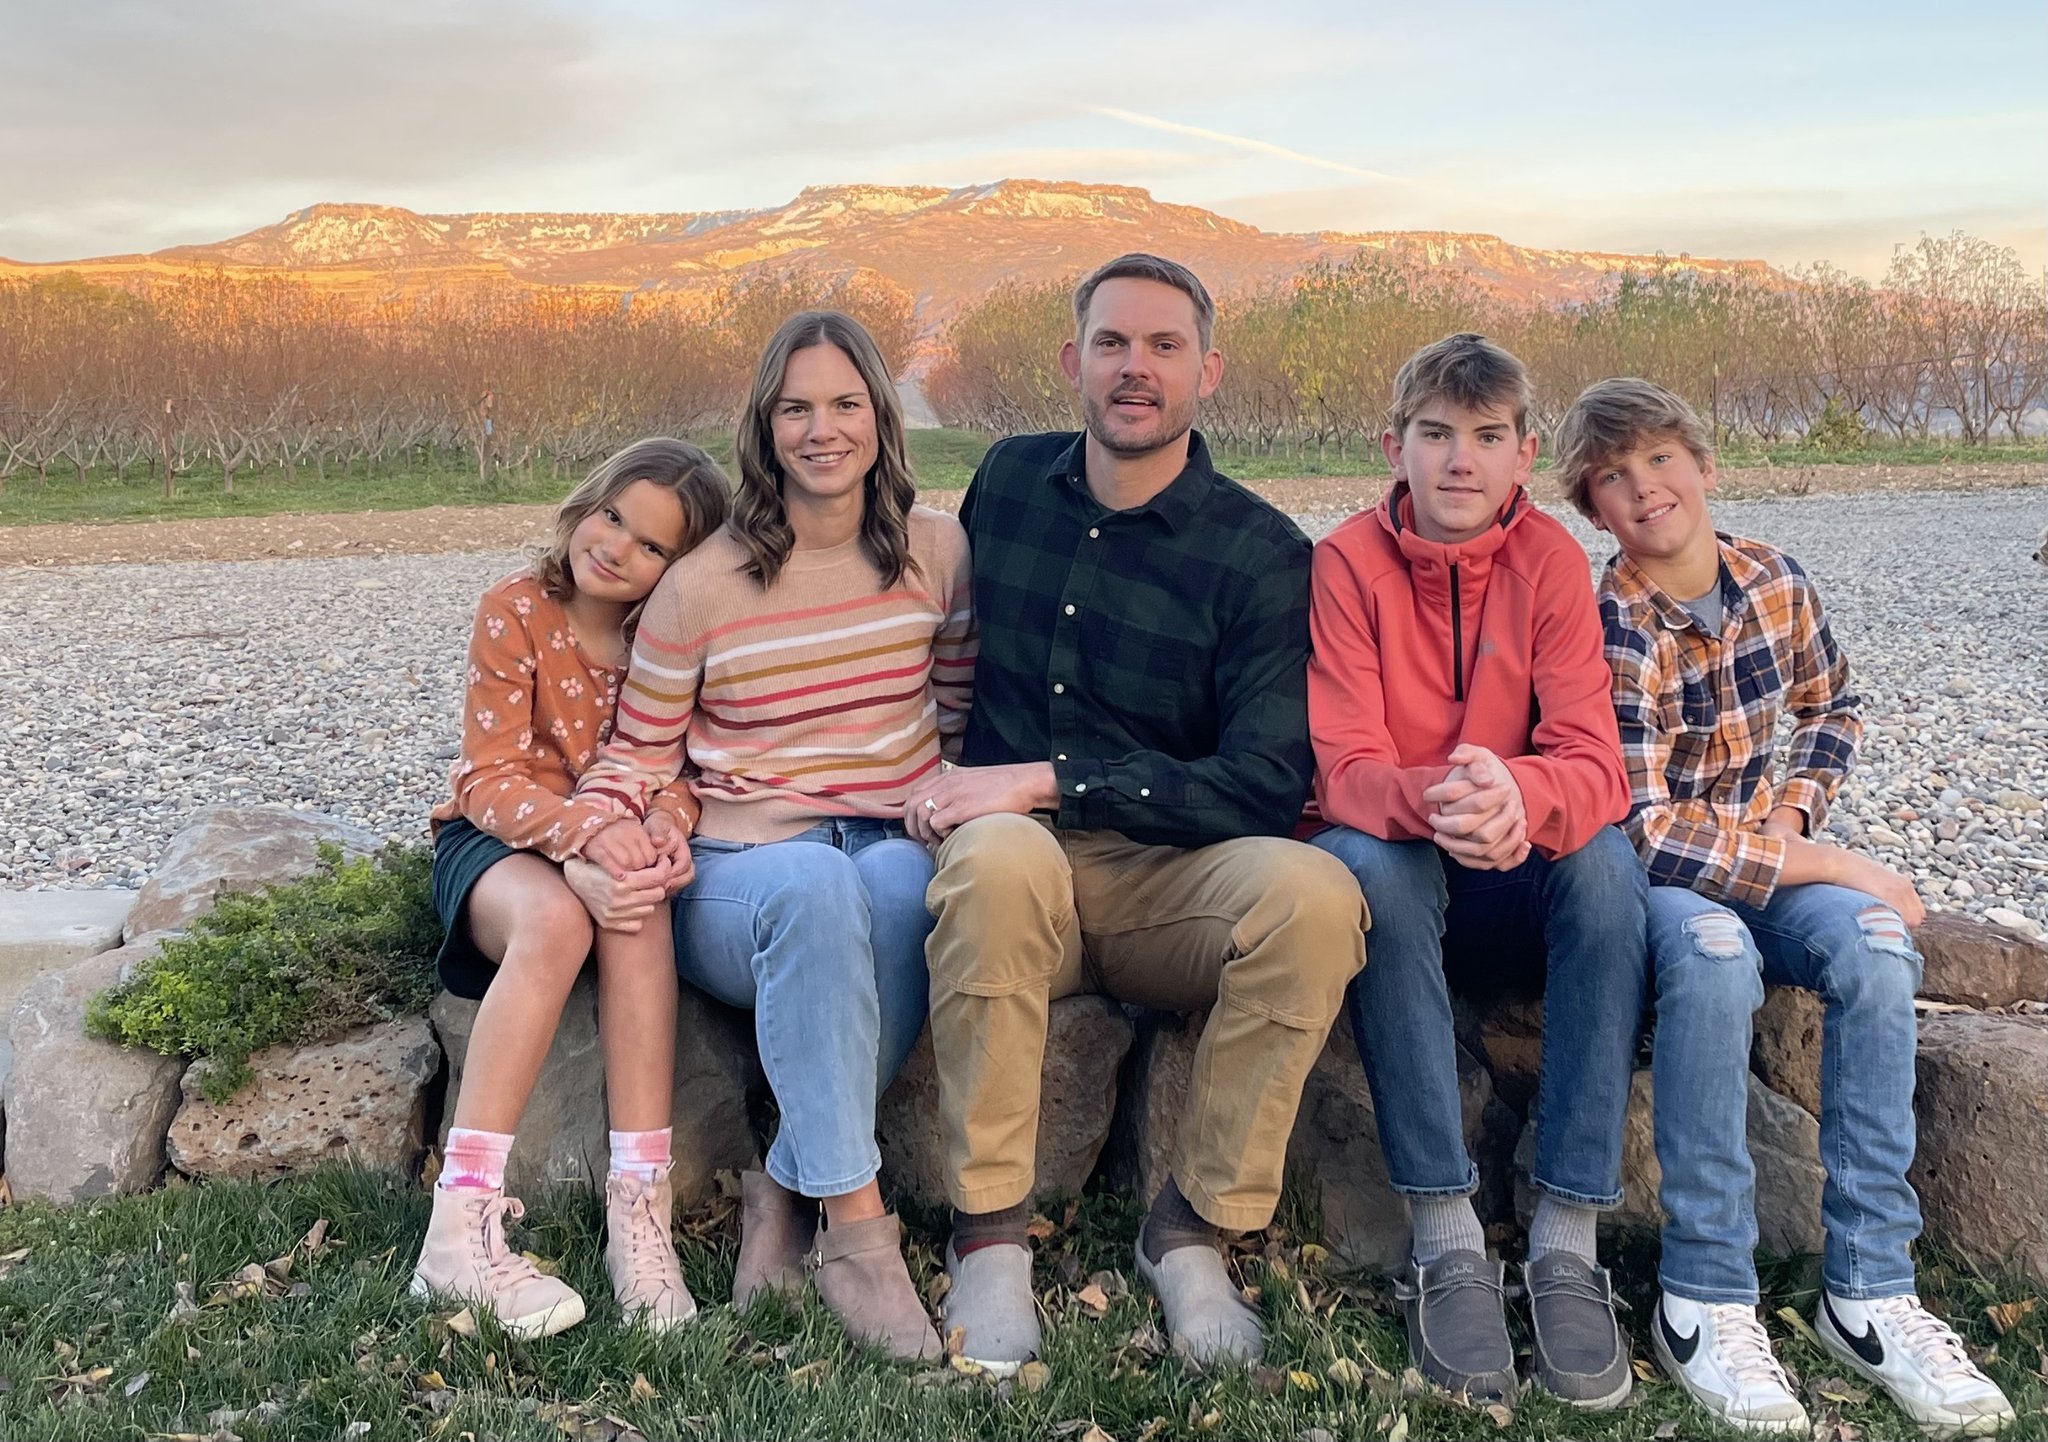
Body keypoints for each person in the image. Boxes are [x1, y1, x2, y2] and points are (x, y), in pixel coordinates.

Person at [902, 252, 1368, 1373]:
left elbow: (1263, 777)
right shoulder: (1006, 483)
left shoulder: (1259, 555)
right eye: (1111, 343)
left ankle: (1192, 1230)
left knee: (1315, 897)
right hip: (1013, 880)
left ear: (1207, 371)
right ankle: (991, 1235)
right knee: (1002, 855)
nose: (1134, 368)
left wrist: (1052, 776)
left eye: (1163, 346)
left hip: (1171, 882)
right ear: (1072, 362)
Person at [1565, 376, 2015, 1437]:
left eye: (1660, 459)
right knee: (1718, 955)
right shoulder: (1615, 618)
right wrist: (1838, 866)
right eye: (1612, 478)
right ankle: (1704, 1293)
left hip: (1767, 854)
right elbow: (1642, 826)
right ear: (1592, 510)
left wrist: (1800, 817)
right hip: (1670, 882)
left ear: (1703, 463)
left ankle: (1866, 1286)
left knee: (1873, 947)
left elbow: (1830, 703)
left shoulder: (1773, 577)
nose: (1644, 487)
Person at [576, 310, 974, 1362]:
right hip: (742, 875)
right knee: (812, 882)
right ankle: (856, 1228)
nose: (821, 429)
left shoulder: (937, 553)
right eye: (795, 407)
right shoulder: (700, 584)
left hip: (884, 843)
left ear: (880, 421)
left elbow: (959, 716)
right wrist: (589, 838)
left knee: (896, 886)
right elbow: (636, 758)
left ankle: (783, 1191)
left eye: (844, 404)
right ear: (763, 426)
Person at [1305, 334, 1647, 1407]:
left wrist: (1520, 799)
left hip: (1509, 867)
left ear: (1522, 452)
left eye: (1485, 437)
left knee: (1602, 866)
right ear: (1393, 445)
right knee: (1368, 858)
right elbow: (1343, 765)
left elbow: (1593, 762)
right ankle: (1443, 1234)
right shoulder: (1345, 562)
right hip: (1404, 870)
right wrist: (1449, 799)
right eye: (1435, 434)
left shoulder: (1546, 559)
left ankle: (1565, 1237)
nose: (1459, 459)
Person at [417, 437, 730, 1338]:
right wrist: (591, 833)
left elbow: (684, 767)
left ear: (681, 570)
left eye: (651, 546)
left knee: (636, 908)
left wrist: (666, 832)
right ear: (586, 504)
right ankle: (459, 1230)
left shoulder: (665, 640)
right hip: (498, 850)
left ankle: (638, 1218)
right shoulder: (516, 609)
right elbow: (488, 779)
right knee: (558, 918)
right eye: (613, 517)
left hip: (614, 847)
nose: (617, 546)